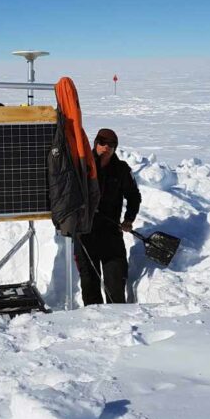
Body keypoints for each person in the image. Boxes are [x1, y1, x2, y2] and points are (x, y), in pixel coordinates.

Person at [76, 128, 141, 305]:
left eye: (111, 145)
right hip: (85, 234)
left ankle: (118, 319)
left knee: (116, 283)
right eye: (102, 143)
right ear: (95, 143)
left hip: (111, 234)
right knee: (89, 283)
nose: (106, 147)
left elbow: (134, 196)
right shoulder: (81, 165)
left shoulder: (121, 169)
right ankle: (93, 318)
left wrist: (128, 219)